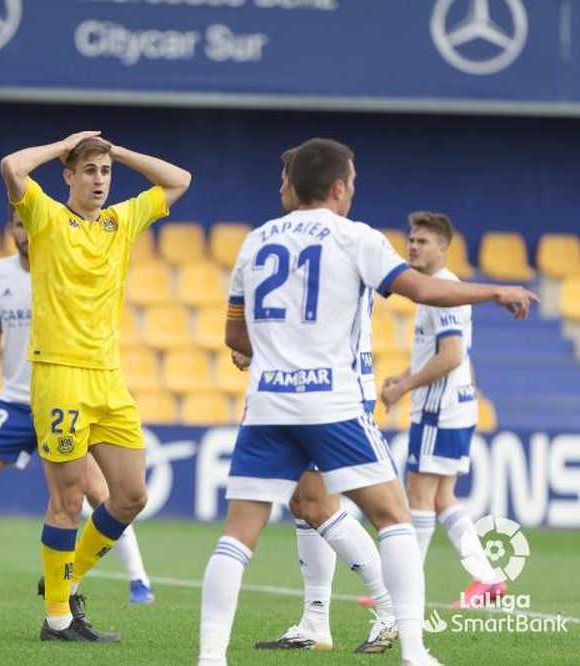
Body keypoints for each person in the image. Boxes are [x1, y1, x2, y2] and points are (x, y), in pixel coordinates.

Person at [198, 137, 537, 666]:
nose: (353, 190)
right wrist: (494, 291)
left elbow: (236, 339)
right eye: (351, 182)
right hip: (332, 403)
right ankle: (413, 650)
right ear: (337, 188)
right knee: (396, 517)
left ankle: (211, 657)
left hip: (267, 403)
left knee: (239, 534)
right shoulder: (355, 237)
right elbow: (421, 290)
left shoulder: (255, 241)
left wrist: (270, 352)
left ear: (293, 185)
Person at [1, 131, 190, 642]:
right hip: (59, 373)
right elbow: (13, 166)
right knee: (66, 499)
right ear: (69, 176)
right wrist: (66, 143)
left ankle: (65, 579)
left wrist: (119, 151)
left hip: (109, 377)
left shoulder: (121, 220)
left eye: (105, 172)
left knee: (130, 496)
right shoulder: (44, 216)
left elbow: (179, 180)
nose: (100, 180)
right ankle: (58, 619)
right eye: (89, 171)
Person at [0, 208, 155, 604]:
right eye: (18, 225)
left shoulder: (63, 265)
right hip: (15, 401)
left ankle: (138, 579)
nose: (25, 233)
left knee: (101, 494)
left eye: (30, 224)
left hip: (66, 399)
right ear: (10, 229)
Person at [246, 148, 396, 654]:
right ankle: (316, 621)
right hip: (317, 388)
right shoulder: (339, 241)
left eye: (284, 178)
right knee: (305, 503)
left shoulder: (342, 241)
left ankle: (389, 607)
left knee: (319, 503)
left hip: (330, 393)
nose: (280, 187)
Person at [380, 211, 506, 608]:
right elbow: (444, 354)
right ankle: (487, 579)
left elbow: (450, 356)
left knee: (419, 495)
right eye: (412, 239)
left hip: (439, 408)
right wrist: (404, 376)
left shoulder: (444, 290)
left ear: (443, 248)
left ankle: (407, 589)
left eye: (423, 241)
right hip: (450, 404)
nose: (413, 246)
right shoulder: (435, 289)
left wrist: (405, 387)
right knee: (440, 498)